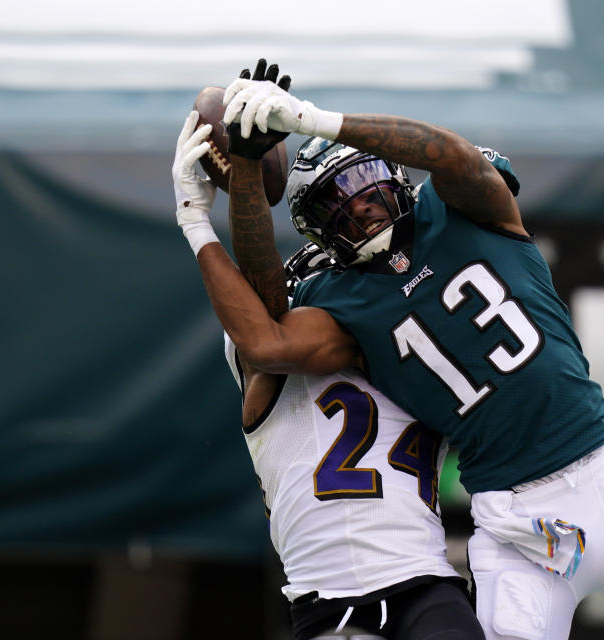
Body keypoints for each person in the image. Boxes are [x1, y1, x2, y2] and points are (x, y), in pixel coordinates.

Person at [181, 60, 604, 639]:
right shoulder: (341, 302)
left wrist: (318, 121)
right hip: (516, 525)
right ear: (318, 233)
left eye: (360, 184)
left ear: (395, 175)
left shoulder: (460, 208)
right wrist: (243, 172)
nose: (359, 206)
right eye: (334, 206)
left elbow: (450, 154)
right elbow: (266, 334)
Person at [171, 62, 486, 640]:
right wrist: (206, 215)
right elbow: (264, 330)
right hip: (332, 600)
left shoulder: (408, 318)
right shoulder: (277, 350)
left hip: (427, 580)